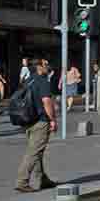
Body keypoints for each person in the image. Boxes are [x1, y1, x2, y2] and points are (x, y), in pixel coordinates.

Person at [14, 59, 58, 193]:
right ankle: (22, 181)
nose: (48, 66)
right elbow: (46, 102)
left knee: (37, 151)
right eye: (45, 64)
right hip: (41, 121)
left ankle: (42, 179)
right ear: (39, 67)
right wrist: (53, 120)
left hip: (28, 120)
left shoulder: (29, 80)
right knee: (33, 152)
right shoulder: (43, 81)